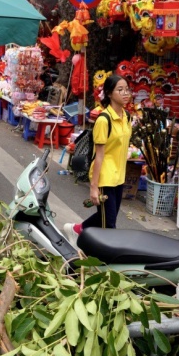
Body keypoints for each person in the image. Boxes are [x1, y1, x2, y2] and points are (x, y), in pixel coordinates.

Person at [64, 75, 133, 242]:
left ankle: (77, 230)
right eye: (120, 90)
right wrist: (94, 187)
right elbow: (99, 155)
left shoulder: (127, 116)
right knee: (109, 226)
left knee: (106, 216)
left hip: (119, 177)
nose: (126, 93)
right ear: (109, 93)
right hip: (105, 177)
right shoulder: (104, 120)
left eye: (127, 89)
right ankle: (102, 260)